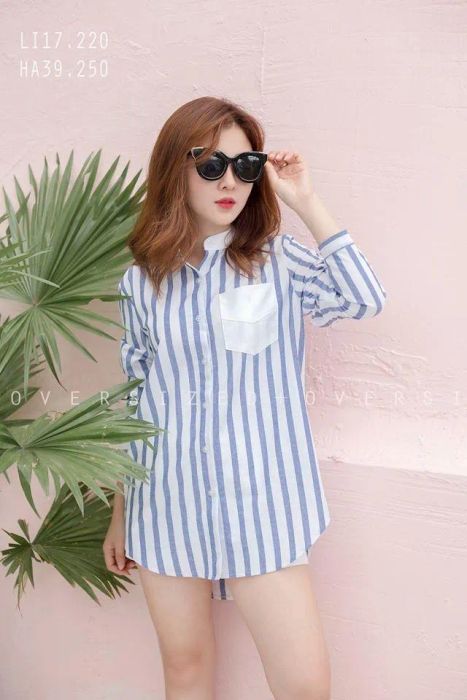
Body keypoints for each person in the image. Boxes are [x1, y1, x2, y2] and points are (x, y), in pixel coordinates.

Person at [103, 95, 387, 700]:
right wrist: (122, 510)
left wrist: (306, 200)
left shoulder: (278, 261)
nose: (230, 181)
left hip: (262, 506)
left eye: (245, 166)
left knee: (304, 686)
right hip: (165, 503)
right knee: (184, 668)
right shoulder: (141, 282)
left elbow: (364, 298)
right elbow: (135, 401)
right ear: (175, 171)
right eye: (211, 166)